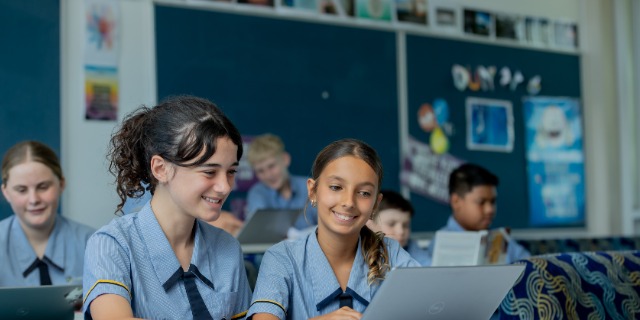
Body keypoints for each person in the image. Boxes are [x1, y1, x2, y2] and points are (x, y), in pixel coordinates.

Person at [82, 96, 252, 319]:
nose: (224, 187)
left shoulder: (227, 247)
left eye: (231, 172)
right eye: (209, 172)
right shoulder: (112, 244)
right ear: (160, 169)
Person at [247, 138, 420, 320]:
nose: (348, 202)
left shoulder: (391, 254)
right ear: (313, 191)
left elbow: (432, 306)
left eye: (364, 193)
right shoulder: (282, 258)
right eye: (336, 187)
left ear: (376, 204)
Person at [0, 140, 95, 287]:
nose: (33, 200)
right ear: (6, 192)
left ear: (61, 184)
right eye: (21, 190)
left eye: (43, 187)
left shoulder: (93, 244)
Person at [424, 163, 530, 264]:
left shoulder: (502, 241)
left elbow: (532, 265)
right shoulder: (441, 245)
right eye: (481, 202)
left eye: (492, 202)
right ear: (456, 201)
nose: (490, 210)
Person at [245, 133, 318, 231]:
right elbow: (261, 232)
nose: (268, 175)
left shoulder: (309, 186)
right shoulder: (257, 193)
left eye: (271, 166)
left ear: (285, 159)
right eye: (260, 171)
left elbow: (325, 224)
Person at [366, 190, 430, 266]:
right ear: (370, 224)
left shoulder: (412, 248)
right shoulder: (360, 253)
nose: (401, 231)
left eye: (405, 225)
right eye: (391, 224)